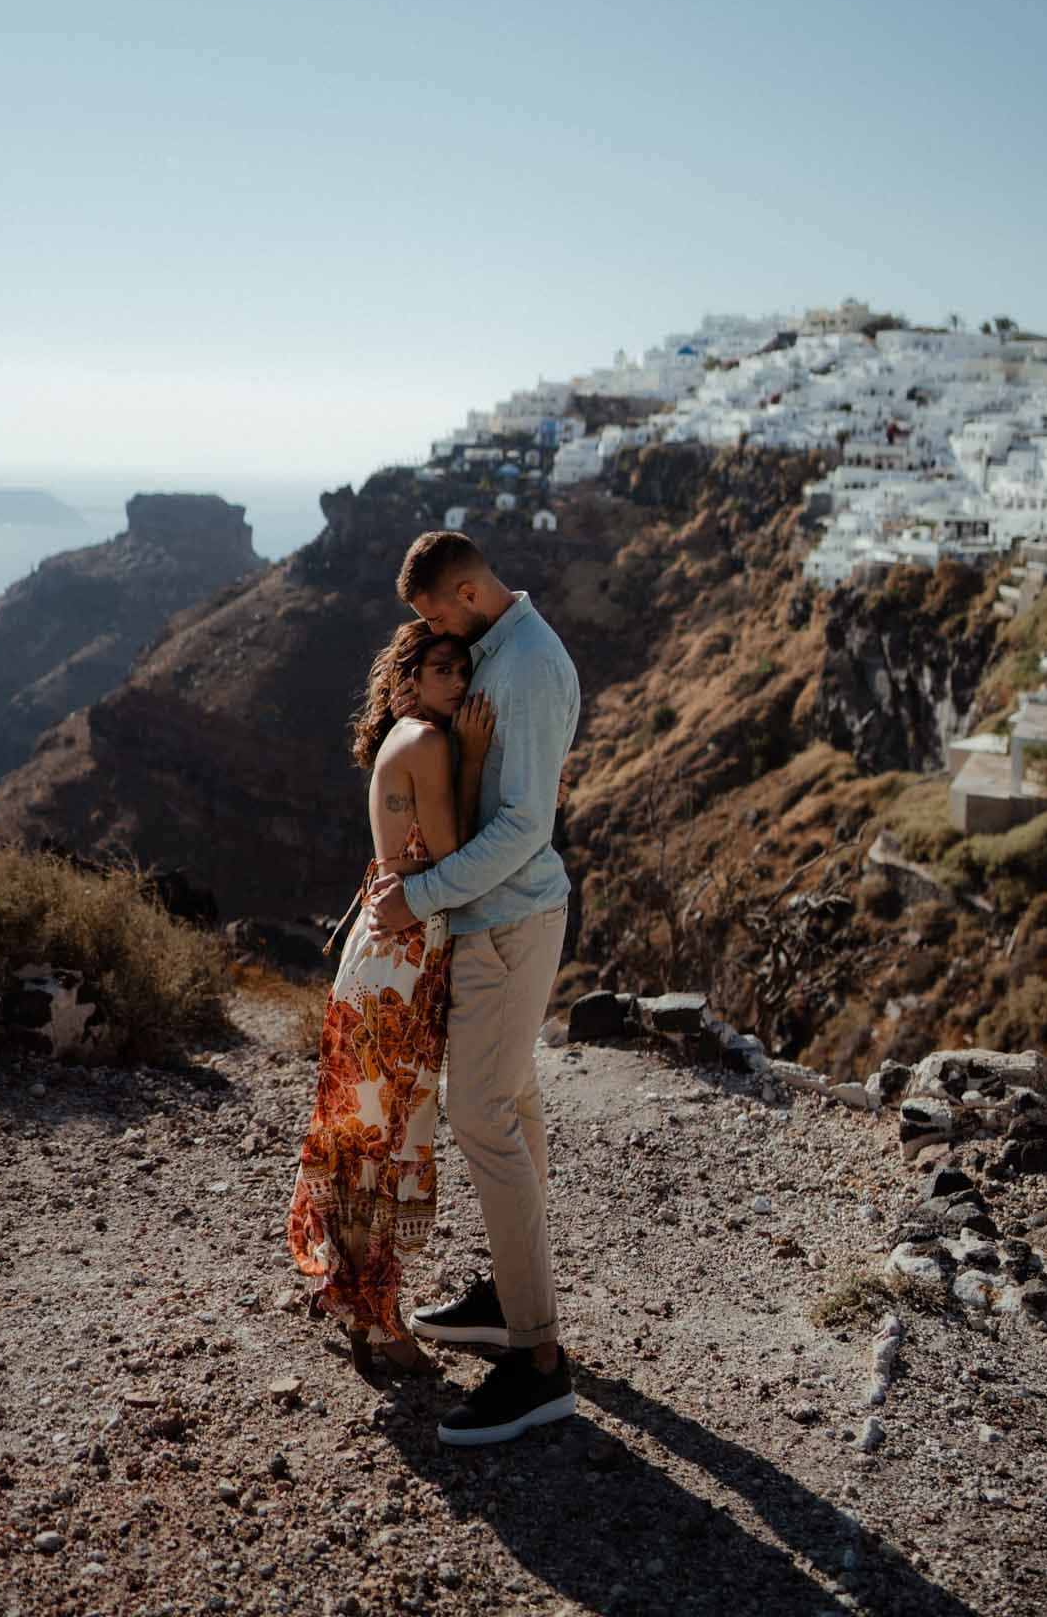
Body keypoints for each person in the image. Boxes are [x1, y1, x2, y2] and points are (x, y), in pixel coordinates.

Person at [366, 529, 581, 1448]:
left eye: (431, 617)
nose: (429, 636)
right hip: (498, 918)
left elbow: (526, 826)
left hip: (507, 918)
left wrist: (419, 898)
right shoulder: (500, 654)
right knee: (515, 1099)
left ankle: (538, 1363)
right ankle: (507, 1301)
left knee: (482, 1114)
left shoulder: (524, 666)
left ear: (464, 591)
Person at [286, 622, 495, 1379]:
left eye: (464, 670)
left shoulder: (406, 737)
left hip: (390, 960)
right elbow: (456, 857)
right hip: (399, 967)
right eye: (443, 670)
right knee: (385, 1140)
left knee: (369, 1134)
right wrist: (476, 764)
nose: (460, 683)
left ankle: (364, 1304)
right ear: (406, 680)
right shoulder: (432, 745)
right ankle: (377, 1320)